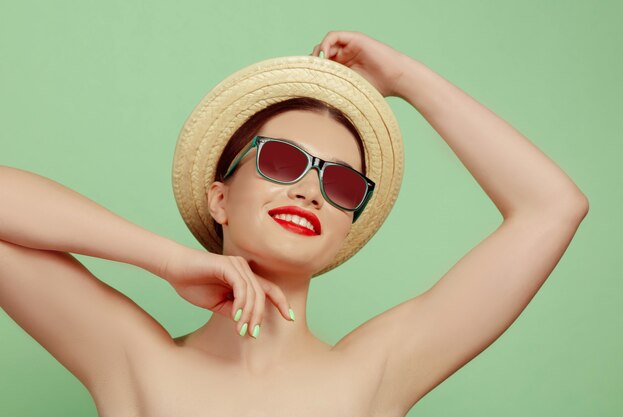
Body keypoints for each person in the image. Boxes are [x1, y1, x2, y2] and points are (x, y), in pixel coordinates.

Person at [0, 31, 589, 416]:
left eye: (341, 184)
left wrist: (405, 80)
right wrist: (163, 257)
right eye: (283, 161)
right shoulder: (132, 358)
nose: (311, 190)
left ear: (345, 231)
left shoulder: (375, 371)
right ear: (220, 197)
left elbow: (553, 206)